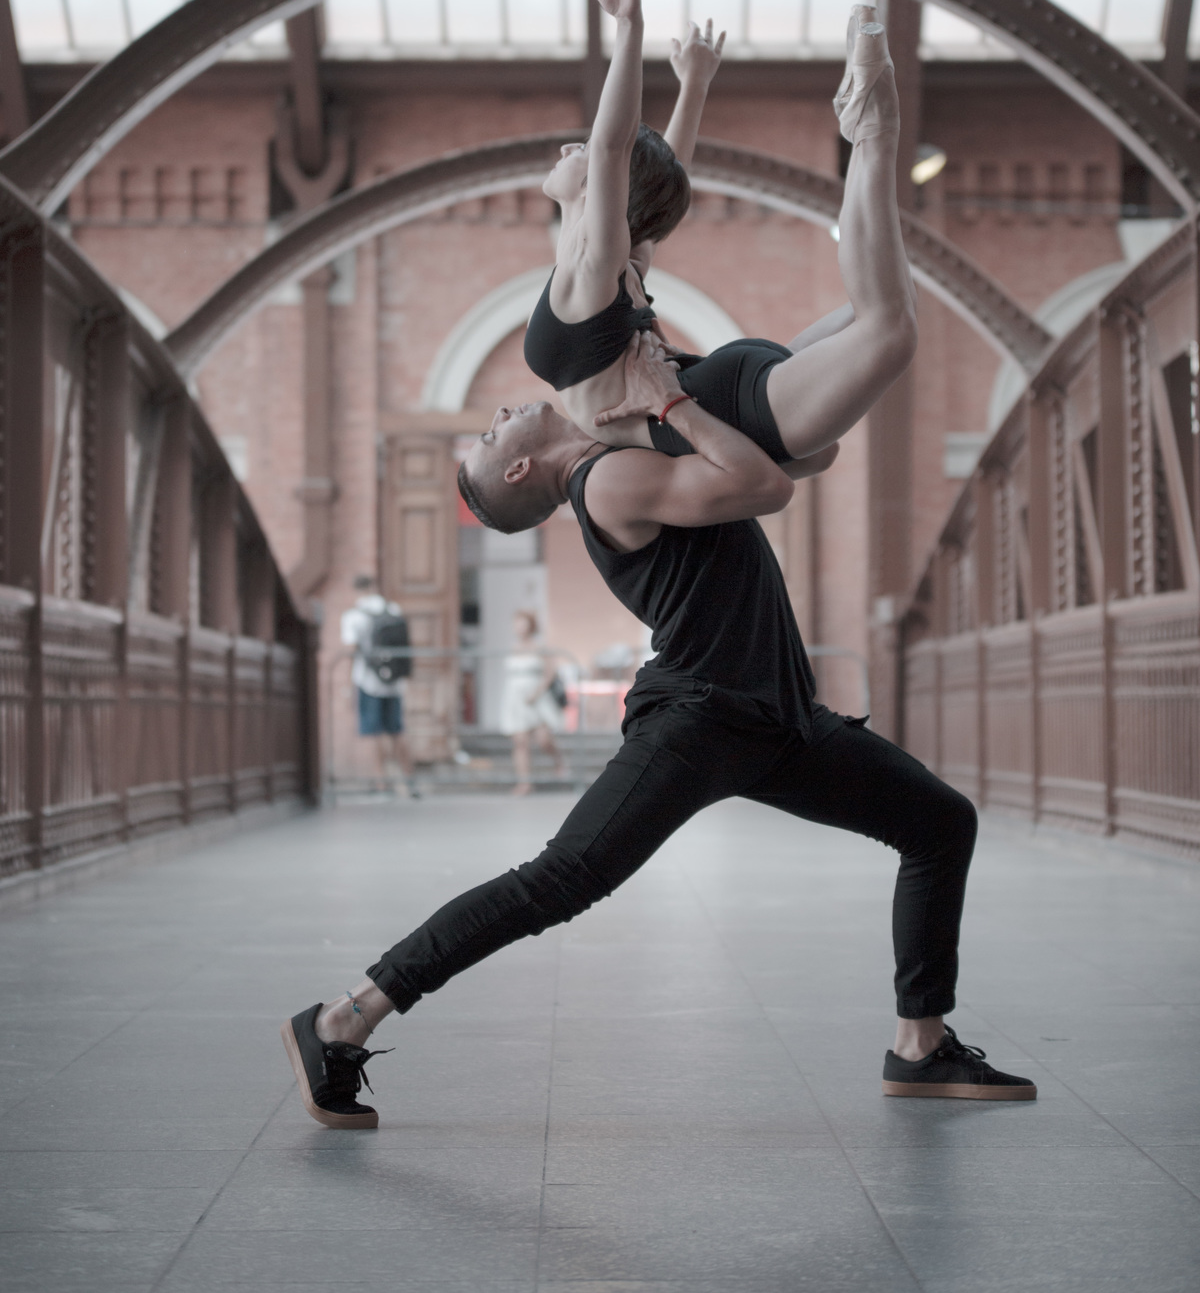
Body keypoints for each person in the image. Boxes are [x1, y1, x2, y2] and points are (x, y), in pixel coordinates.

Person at [282, 334, 1035, 1129]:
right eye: (491, 433)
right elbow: (767, 487)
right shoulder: (602, 479)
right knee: (558, 881)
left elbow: (809, 457)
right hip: (701, 718)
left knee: (939, 823)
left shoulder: (628, 453)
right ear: (516, 469)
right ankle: (341, 1019)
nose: (500, 414)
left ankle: (919, 1045)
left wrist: (684, 393)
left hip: (776, 721)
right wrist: (675, 404)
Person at [460, 0, 914, 533]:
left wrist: (693, 86)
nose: (567, 148)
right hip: (727, 399)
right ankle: (867, 130)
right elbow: (613, 146)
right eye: (491, 436)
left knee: (888, 323)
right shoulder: (586, 279)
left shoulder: (598, 280)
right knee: (887, 315)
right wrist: (629, 27)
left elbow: (656, 183)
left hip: (728, 397)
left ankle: (870, 132)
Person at [340, 578, 420, 800]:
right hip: (394, 683)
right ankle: (409, 780)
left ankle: (382, 783)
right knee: (397, 731)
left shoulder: (353, 616)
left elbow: (350, 651)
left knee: (372, 732)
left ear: (356, 589)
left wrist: (347, 688)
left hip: (368, 681)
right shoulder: (393, 609)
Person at [497, 609, 569, 796]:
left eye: (523, 623)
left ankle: (558, 760)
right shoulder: (513, 647)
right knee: (520, 742)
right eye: (516, 623)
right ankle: (524, 782)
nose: (519, 627)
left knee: (543, 739)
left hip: (537, 698)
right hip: (515, 697)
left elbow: (550, 672)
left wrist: (537, 693)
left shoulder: (540, 647)